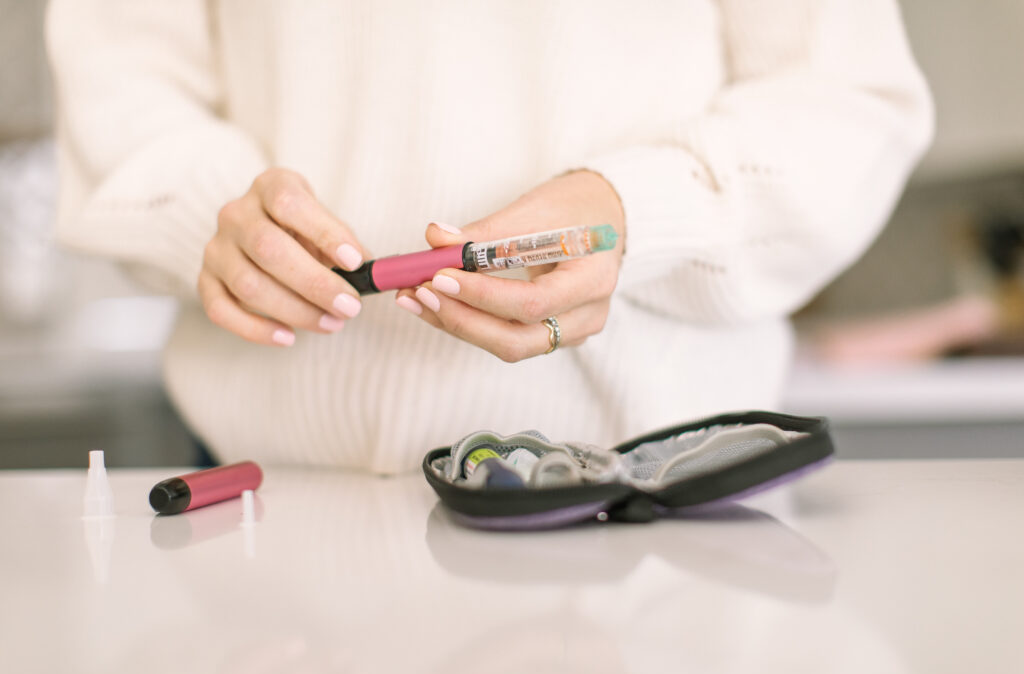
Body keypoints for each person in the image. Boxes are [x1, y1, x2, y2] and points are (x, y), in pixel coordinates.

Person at [47, 0, 932, 471]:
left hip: (661, 509)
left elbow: (846, 104)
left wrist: (641, 213)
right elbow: (122, 78)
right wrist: (219, 214)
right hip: (262, 503)